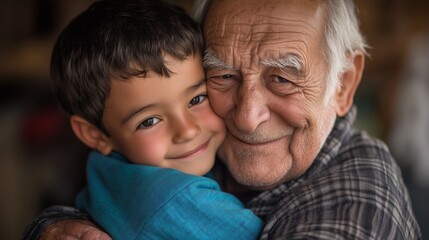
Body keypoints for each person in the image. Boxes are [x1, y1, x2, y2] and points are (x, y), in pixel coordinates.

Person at [24, 0, 422, 239]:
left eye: (282, 79)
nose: (247, 118)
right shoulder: (191, 154)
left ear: (343, 85)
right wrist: (52, 226)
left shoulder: (356, 201)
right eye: (224, 76)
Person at [24, 0, 263, 239]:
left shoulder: (105, 169)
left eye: (197, 99)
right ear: (95, 135)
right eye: (149, 121)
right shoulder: (180, 199)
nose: (187, 130)